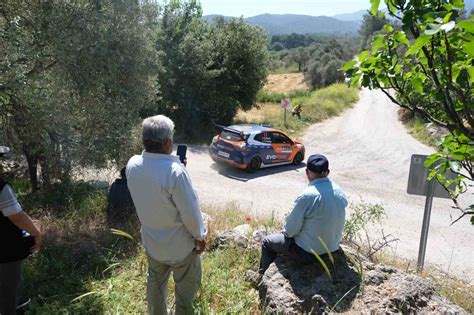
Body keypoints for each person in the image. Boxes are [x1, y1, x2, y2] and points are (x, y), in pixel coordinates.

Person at [126, 115, 206, 315]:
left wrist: (178, 166)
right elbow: (190, 212)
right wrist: (200, 236)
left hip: (153, 243)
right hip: (180, 247)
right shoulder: (175, 173)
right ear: (168, 142)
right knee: (185, 292)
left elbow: (154, 185)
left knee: (155, 285)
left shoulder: (133, 164)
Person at [258, 154, 348, 275]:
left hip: (308, 254)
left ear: (307, 173)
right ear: (328, 172)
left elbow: (290, 231)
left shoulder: (307, 196)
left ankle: (262, 276)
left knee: (267, 242)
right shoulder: (339, 191)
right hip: (333, 249)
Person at [0, 146, 42, 315]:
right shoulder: (1, 188)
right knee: (8, 290)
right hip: (5, 251)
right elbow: (17, 216)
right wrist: (37, 233)